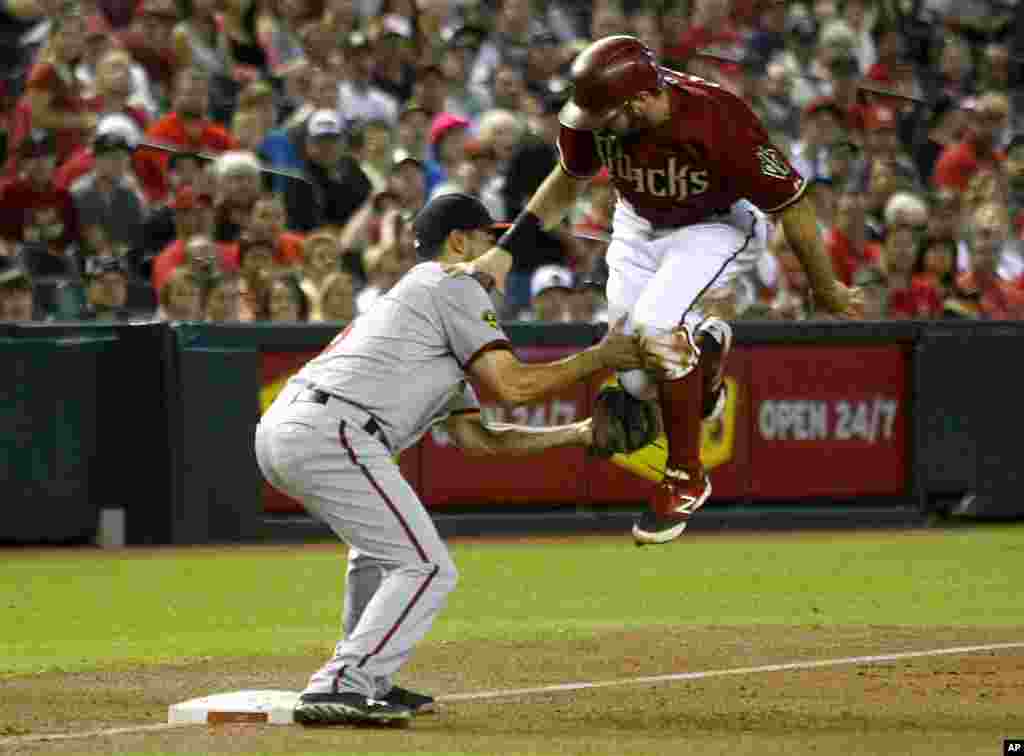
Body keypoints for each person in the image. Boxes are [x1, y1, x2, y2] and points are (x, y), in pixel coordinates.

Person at [254, 192, 648, 726]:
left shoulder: (429, 307)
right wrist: (600, 357)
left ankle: (368, 677)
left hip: (303, 427)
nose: (499, 254)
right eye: (490, 238)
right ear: (459, 242)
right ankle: (343, 682)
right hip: (331, 429)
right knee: (426, 565)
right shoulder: (452, 282)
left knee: (380, 554)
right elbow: (511, 384)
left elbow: (478, 440)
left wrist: (578, 434)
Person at [457, 35, 862, 545]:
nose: (596, 124)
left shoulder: (717, 119)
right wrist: (504, 250)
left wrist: (824, 285)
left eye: (607, 114)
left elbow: (794, 203)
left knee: (653, 329)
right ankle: (707, 350)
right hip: (637, 223)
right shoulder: (593, 112)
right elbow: (568, 180)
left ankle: (686, 477)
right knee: (634, 380)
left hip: (714, 226)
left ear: (642, 99)